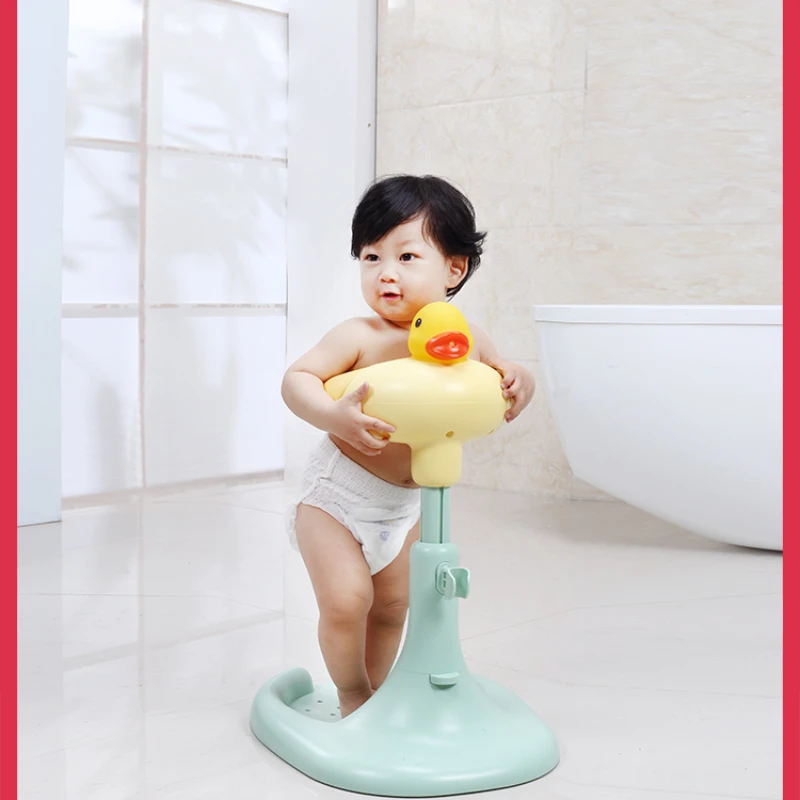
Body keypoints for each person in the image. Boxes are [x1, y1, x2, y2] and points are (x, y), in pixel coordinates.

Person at [282, 175, 536, 718]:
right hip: (338, 498)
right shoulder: (360, 336)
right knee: (348, 601)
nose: (385, 273)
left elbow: (500, 374)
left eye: (406, 255)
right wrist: (332, 415)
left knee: (395, 606)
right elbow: (297, 379)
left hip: (406, 503)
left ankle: (375, 695)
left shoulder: (462, 339)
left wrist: (518, 380)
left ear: (454, 268)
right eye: (371, 257)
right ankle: (352, 696)